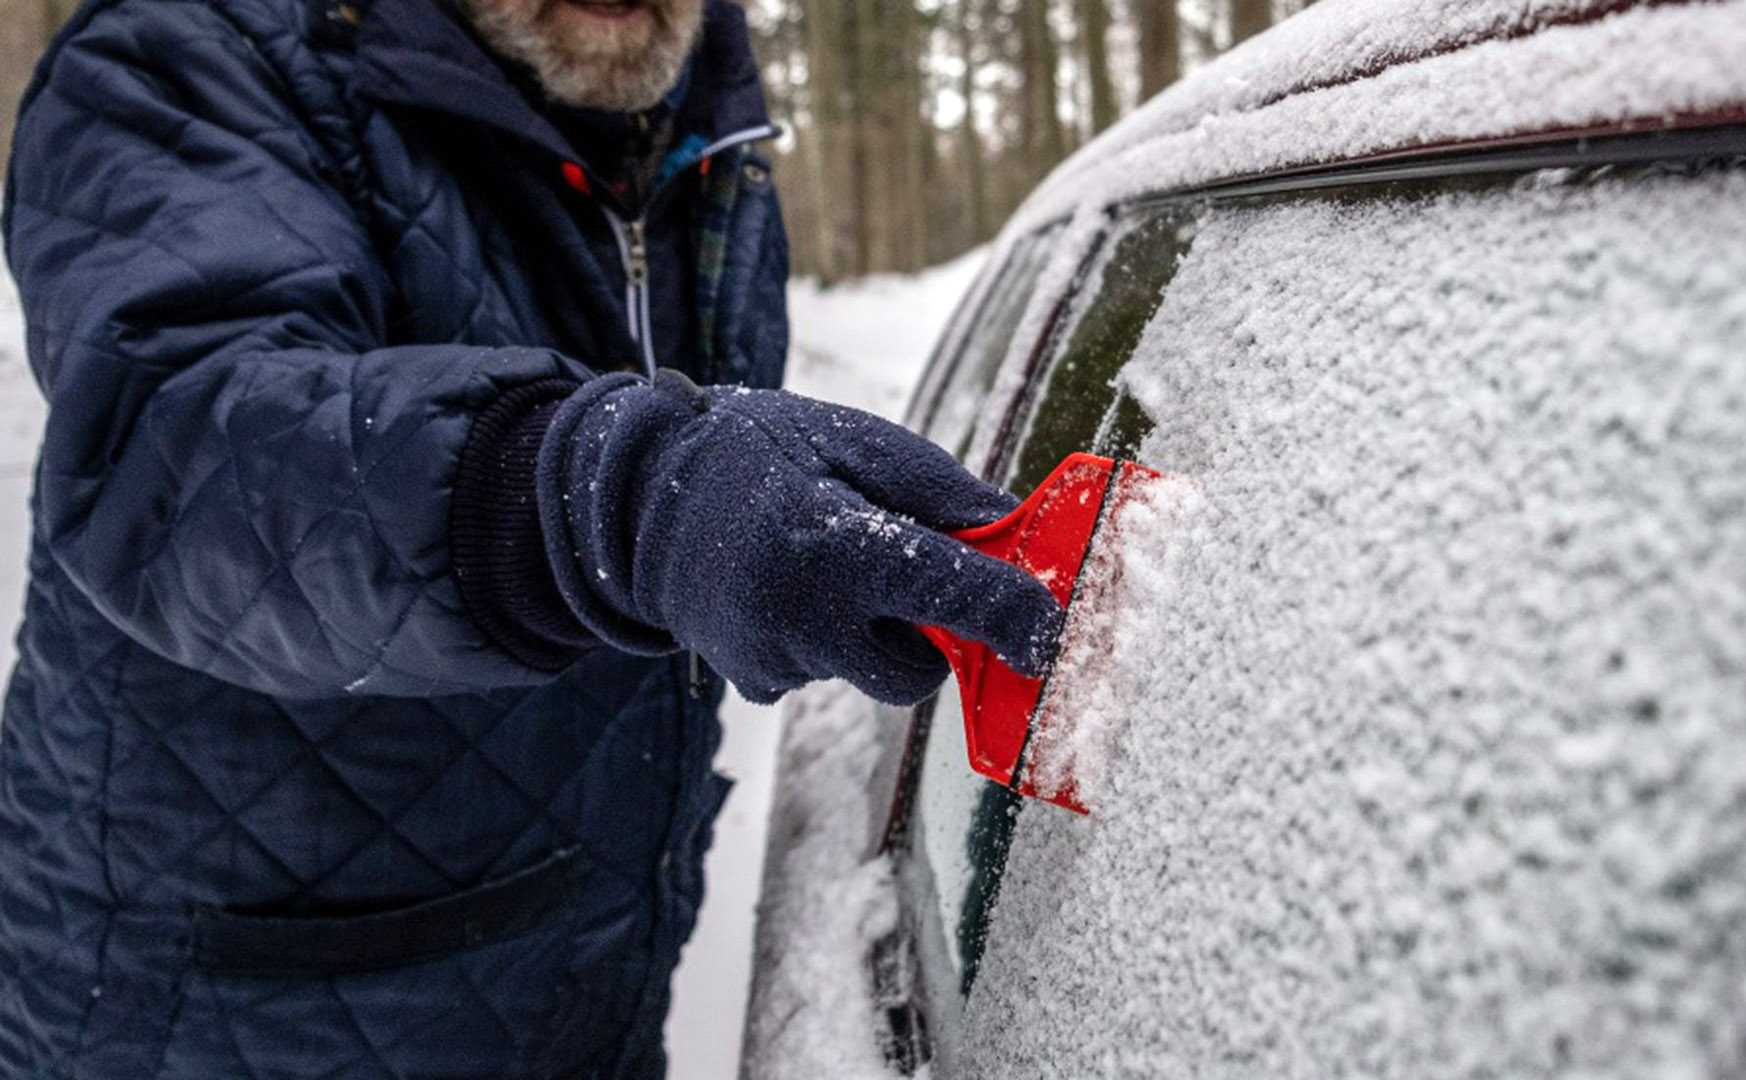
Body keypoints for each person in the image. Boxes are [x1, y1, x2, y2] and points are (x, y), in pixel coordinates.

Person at [0, 0, 1060, 1074]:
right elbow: (179, 453)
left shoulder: (707, 137)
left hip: (582, 982)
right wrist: (612, 491)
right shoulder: (194, 52)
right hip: (228, 1017)